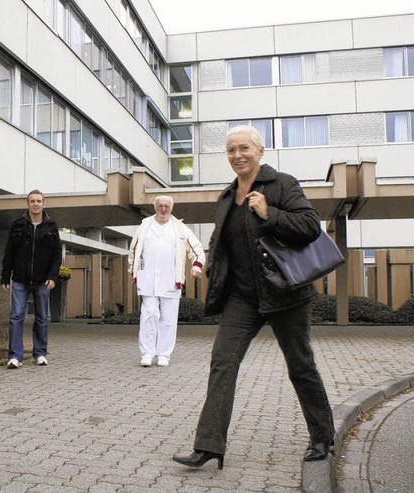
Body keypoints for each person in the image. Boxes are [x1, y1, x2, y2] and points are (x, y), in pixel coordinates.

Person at [172, 126, 335, 469]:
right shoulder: (228, 197)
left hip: (286, 294)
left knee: (300, 366)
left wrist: (269, 214)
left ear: (260, 151)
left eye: (244, 148)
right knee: (222, 362)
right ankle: (209, 445)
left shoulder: (282, 184)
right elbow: (222, 243)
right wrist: (211, 269)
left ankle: (322, 437)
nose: (237, 155)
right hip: (243, 298)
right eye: (231, 150)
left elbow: (309, 226)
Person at [128, 195, 206, 367]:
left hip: (171, 280)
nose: (163, 209)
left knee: (168, 319)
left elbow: (196, 248)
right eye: (160, 206)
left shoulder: (179, 227)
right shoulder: (145, 226)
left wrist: (197, 265)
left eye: (167, 206)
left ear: (172, 208)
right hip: (148, 279)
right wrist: (134, 272)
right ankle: (147, 353)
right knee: (149, 315)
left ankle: (164, 354)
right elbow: (133, 250)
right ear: (154, 206)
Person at [1, 190, 62, 369]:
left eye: (39, 201)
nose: (36, 204)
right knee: (16, 316)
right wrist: (5, 275)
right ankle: (14, 356)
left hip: (42, 280)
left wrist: (53, 276)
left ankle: (40, 353)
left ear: (44, 204)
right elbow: (9, 251)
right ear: (27, 204)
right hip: (20, 279)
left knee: (42, 317)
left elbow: (57, 254)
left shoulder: (51, 226)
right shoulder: (17, 225)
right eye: (32, 201)